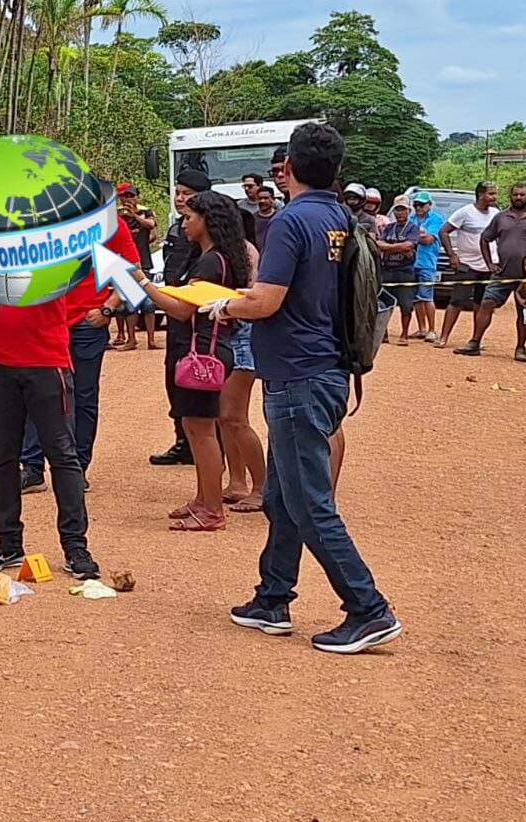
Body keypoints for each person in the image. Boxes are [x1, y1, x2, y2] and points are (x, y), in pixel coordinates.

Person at [211, 121, 402, 654]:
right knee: (282, 495)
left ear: (286, 168)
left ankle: (368, 608)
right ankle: (273, 597)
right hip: (327, 367)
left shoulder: (293, 222)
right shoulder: (341, 217)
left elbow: (266, 300)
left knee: (310, 501)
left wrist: (225, 303)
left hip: (297, 373)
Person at [0, 275, 102, 581]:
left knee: (63, 456)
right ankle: (9, 542)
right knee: (3, 457)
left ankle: (76, 547)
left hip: (46, 360)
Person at [128, 191, 251, 531]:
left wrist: (140, 282)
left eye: (189, 218)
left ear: (207, 221)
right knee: (195, 427)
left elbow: (183, 309)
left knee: (201, 431)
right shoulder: (215, 257)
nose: (184, 224)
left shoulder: (212, 261)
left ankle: (212, 509)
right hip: (204, 349)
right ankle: (203, 497)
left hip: (202, 351)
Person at [19, 220, 142, 493]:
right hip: (43, 323)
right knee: (36, 392)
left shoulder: (110, 225)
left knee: (83, 397)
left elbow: (133, 273)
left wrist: (108, 308)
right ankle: (32, 467)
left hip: (86, 323)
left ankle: (76, 467)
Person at [148, 169, 213, 467]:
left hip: (198, 320)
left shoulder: (211, 235)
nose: (180, 198)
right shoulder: (177, 229)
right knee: (174, 378)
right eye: (178, 192)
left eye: (187, 193)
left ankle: (210, 446)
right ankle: (182, 441)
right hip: (174, 312)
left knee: (200, 383)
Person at [455, 182, 526, 361]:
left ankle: (520, 348)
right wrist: (489, 264)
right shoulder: (500, 217)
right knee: (487, 303)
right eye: (515, 194)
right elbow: (485, 238)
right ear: (510, 196)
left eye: (522, 195)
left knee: (524, 311)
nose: (519, 198)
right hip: (502, 272)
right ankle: (474, 342)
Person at [436, 181, 499, 349]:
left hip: (488, 266)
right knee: (457, 300)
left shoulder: (495, 213)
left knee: (481, 303)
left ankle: (476, 340)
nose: (494, 197)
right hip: (467, 264)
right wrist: (451, 255)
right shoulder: (465, 212)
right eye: (491, 194)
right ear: (481, 195)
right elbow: (443, 231)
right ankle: (443, 337)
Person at [117, 182, 159, 351]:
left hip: (144, 262)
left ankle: (151, 340)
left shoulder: (145, 212)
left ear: (137, 197)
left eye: (131, 196)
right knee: (129, 303)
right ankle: (131, 339)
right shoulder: (116, 215)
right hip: (123, 263)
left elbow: (151, 225)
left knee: (149, 303)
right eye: (125, 196)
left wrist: (134, 216)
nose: (129, 199)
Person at [377, 196, 421, 346]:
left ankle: (404, 334)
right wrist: (398, 247)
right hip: (387, 269)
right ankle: (384, 333)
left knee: (406, 304)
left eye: (403, 209)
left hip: (405, 270)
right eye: (397, 209)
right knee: (383, 302)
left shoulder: (413, 228)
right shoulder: (389, 227)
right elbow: (379, 244)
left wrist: (389, 247)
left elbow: (409, 246)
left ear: (408, 211)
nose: (400, 212)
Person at [409, 191, 445, 342]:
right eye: (416, 204)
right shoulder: (411, 218)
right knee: (416, 298)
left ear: (429, 205)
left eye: (422, 204)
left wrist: (412, 236)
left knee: (427, 296)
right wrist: (419, 235)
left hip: (427, 264)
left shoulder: (436, 219)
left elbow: (428, 239)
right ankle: (422, 328)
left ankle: (432, 329)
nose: (418, 207)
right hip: (411, 263)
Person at [252, 185, 279, 252]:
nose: (262, 201)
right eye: (260, 198)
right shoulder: (252, 219)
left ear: (272, 199)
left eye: (265, 198)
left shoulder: (280, 217)